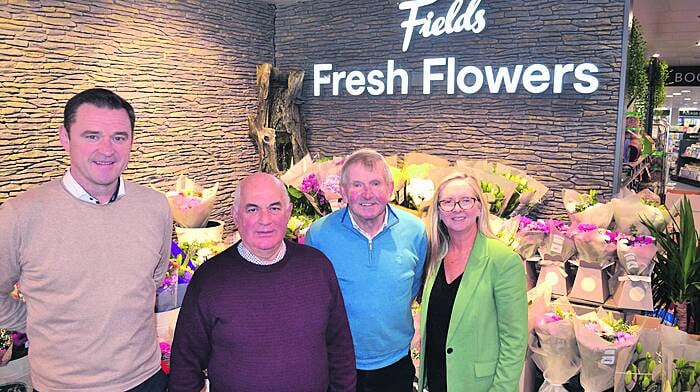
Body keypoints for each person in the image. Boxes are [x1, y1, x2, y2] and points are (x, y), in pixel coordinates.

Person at [0, 88, 173, 391]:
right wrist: (41, 319)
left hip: (146, 379)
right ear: (64, 139)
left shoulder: (155, 207)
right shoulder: (19, 214)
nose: (107, 150)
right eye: (91, 136)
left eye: (119, 137)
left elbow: (152, 280)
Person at [168, 172, 356, 392]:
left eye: (274, 208)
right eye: (252, 209)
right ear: (235, 216)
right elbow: (185, 367)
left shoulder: (318, 267)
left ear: (288, 213)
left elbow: (340, 350)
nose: (265, 220)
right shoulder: (210, 279)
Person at [305, 149, 427, 392]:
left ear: (390, 188)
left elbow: (412, 287)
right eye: (357, 185)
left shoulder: (415, 231)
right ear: (342, 190)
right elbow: (313, 298)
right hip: (339, 362)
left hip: (396, 361)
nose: (367, 194)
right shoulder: (319, 235)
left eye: (375, 183)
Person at [417, 172, 527, 392]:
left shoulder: (503, 260)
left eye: (466, 200)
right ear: (438, 211)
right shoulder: (435, 256)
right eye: (447, 202)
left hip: (480, 385)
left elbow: (515, 341)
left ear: (479, 207)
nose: (457, 208)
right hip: (438, 380)